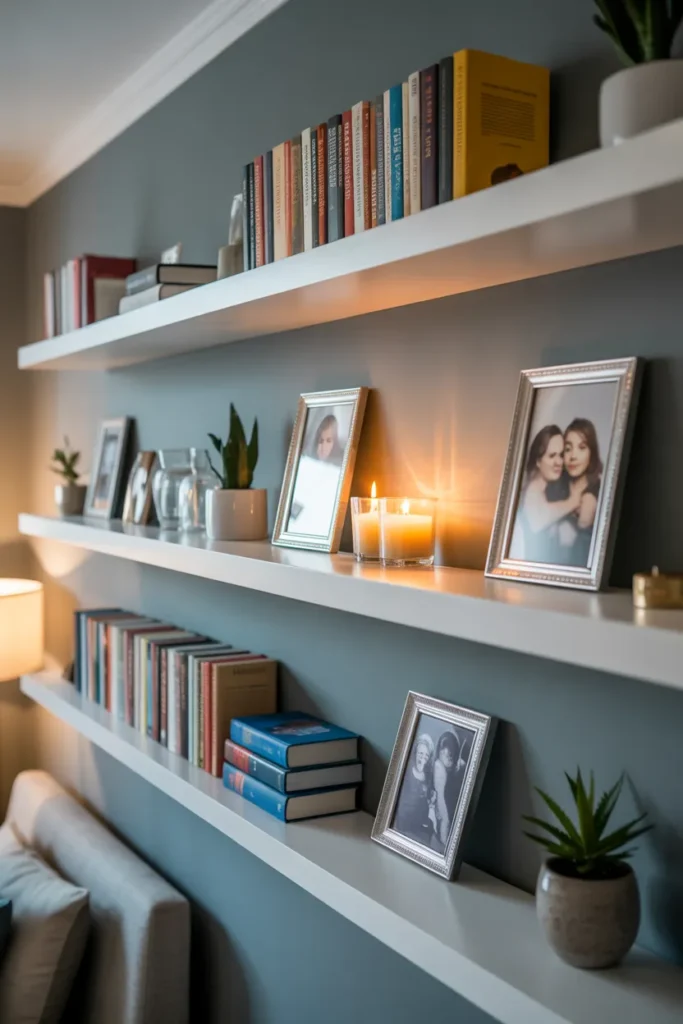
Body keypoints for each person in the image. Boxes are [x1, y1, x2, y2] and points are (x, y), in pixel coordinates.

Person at [514, 425, 586, 563]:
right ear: (538, 461)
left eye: (561, 455)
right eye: (552, 455)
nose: (559, 462)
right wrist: (573, 502)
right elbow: (538, 520)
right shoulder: (532, 491)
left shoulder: (546, 491)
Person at [558, 418, 603, 567]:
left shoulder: (592, 493)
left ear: (592, 453)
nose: (573, 456)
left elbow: (583, 524)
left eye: (582, 447)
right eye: (568, 448)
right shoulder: (559, 485)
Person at [393, 733, 434, 845]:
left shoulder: (428, 775)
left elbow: (428, 798)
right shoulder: (406, 771)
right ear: (415, 753)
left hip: (420, 819)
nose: (423, 758)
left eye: (426, 755)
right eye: (421, 753)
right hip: (404, 819)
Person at [431, 731, 465, 851]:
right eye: (443, 749)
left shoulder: (460, 767)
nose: (447, 753)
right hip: (442, 832)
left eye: (450, 749)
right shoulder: (438, 767)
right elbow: (440, 800)